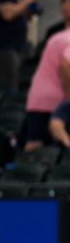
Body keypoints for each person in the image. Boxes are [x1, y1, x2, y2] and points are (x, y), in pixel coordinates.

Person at [24, 18, 70, 149]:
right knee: (41, 146)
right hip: (54, 100)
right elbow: (66, 65)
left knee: (34, 143)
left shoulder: (59, 37)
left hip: (38, 97)